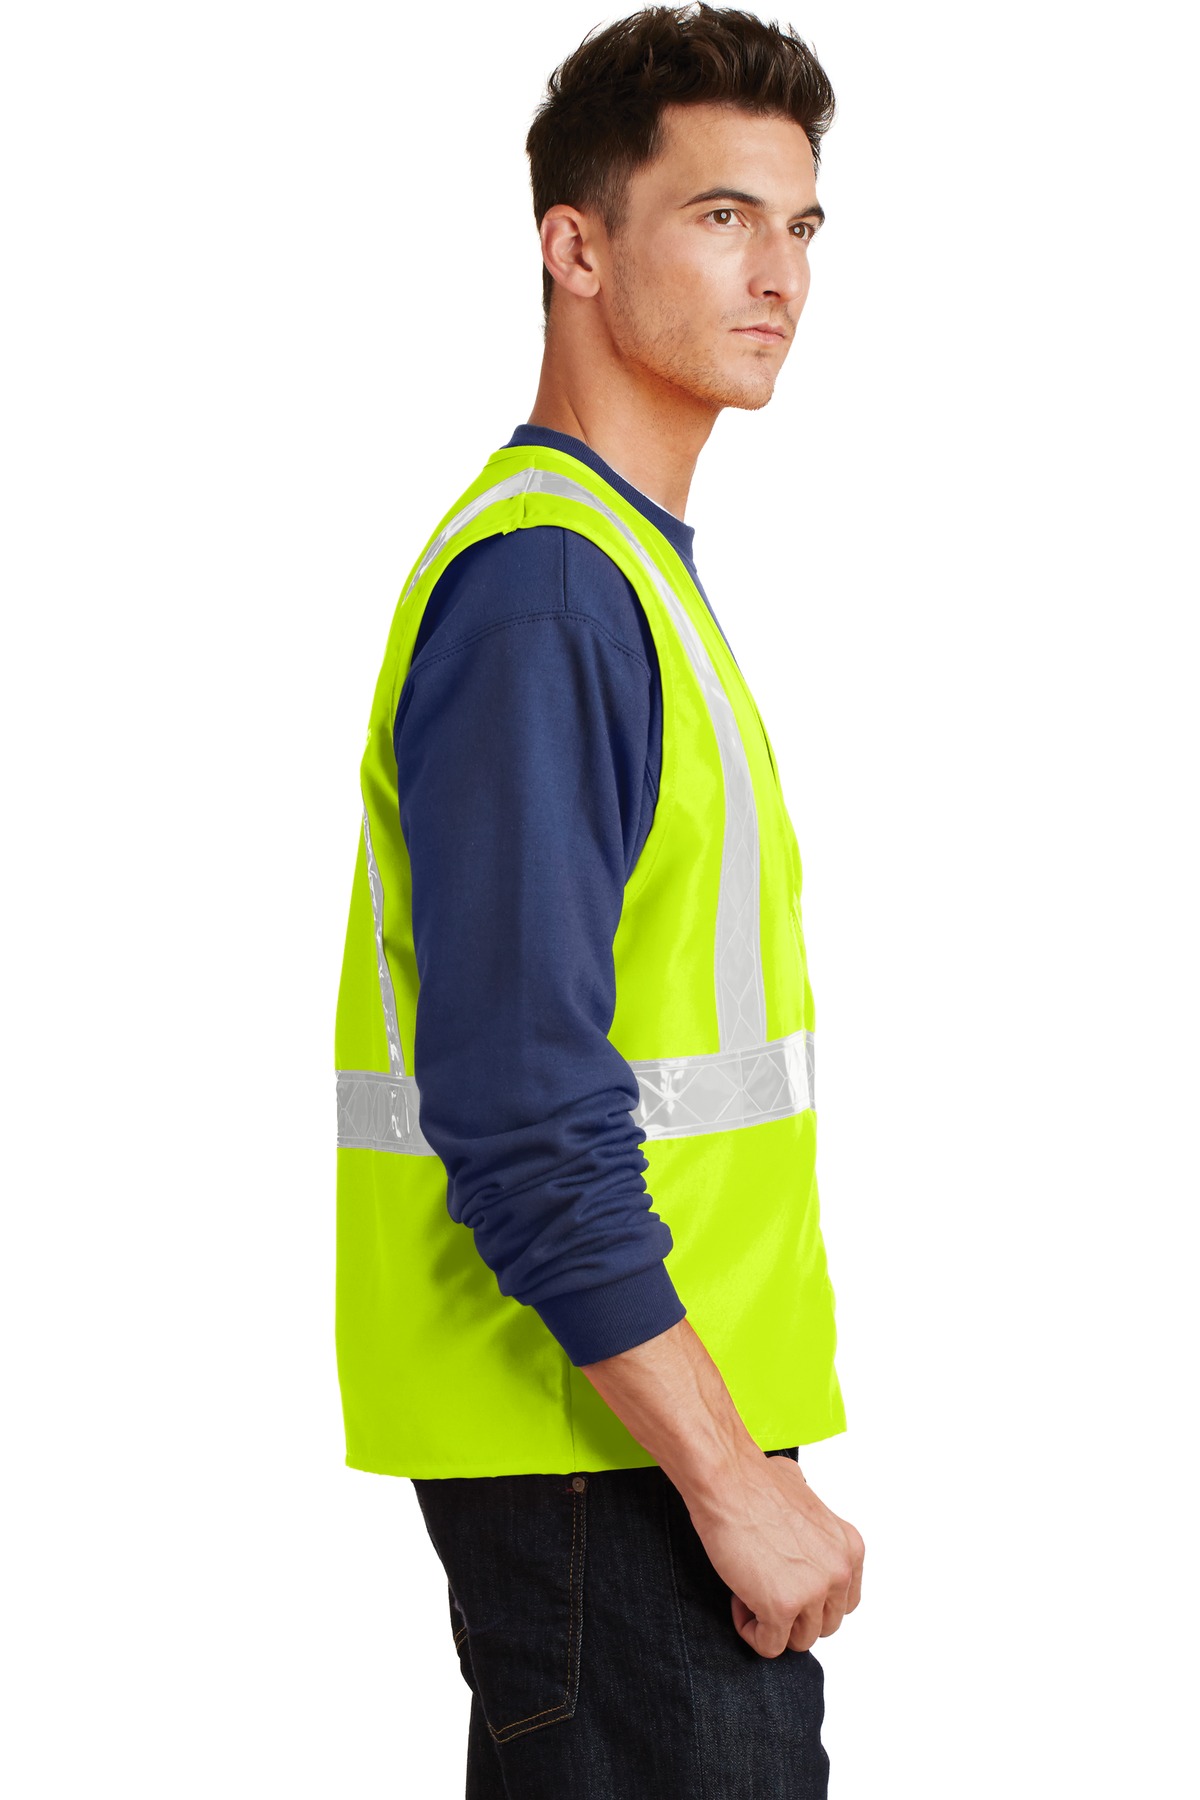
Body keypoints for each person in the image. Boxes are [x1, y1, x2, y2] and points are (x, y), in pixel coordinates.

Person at [333, 5, 865, 1793]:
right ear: (575, 247)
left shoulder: (620, 573)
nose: (779, 274)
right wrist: (725, 1478)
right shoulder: (550, 595)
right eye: (721, 216)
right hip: (609, 1469)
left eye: (801, 225)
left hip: (632, 1452)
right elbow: (519, 1107)